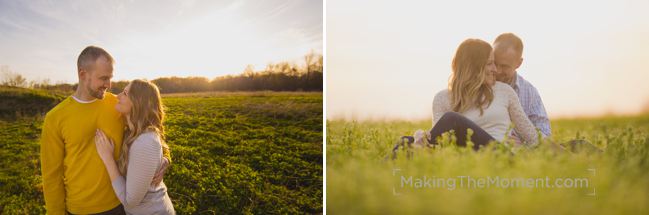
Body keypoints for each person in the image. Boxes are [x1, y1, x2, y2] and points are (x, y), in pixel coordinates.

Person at [40, 46, 170, 214]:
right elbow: (52, 177)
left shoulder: (116, 105)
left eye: (110, 77)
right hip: (81, 209)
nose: (109, 85)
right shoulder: (55, 118)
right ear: (82, 74)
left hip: (119, 204)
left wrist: (164, 159)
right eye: (103, 78)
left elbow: (148, 129)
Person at [421, 38, 540, 150]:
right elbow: (439, 143)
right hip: (467, 158)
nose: (495, 69)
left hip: (500, 153)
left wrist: (525, 148)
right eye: (490, 64)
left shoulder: (505, 91)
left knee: (451, 119)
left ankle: (417, 147)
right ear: (472, 67)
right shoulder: (442, 99)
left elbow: (533, 138)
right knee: (407, 140)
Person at [95, 79, 175, 214]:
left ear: (138, 102)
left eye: (125, 93)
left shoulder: (145, 142)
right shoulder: (133, 131)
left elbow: (130, 202)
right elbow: (159, 149)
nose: (118, 96)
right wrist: (165, 159)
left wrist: (108, 159)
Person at [492, 33, 551, 140]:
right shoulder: (480, 85)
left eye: (504, 66)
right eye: (495, 63)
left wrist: (522, 145)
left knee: (580, 144)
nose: (498, 70)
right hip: (489, 147)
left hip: (523, 150)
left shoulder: (529, 92)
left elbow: (544, 132)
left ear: (519, 63)